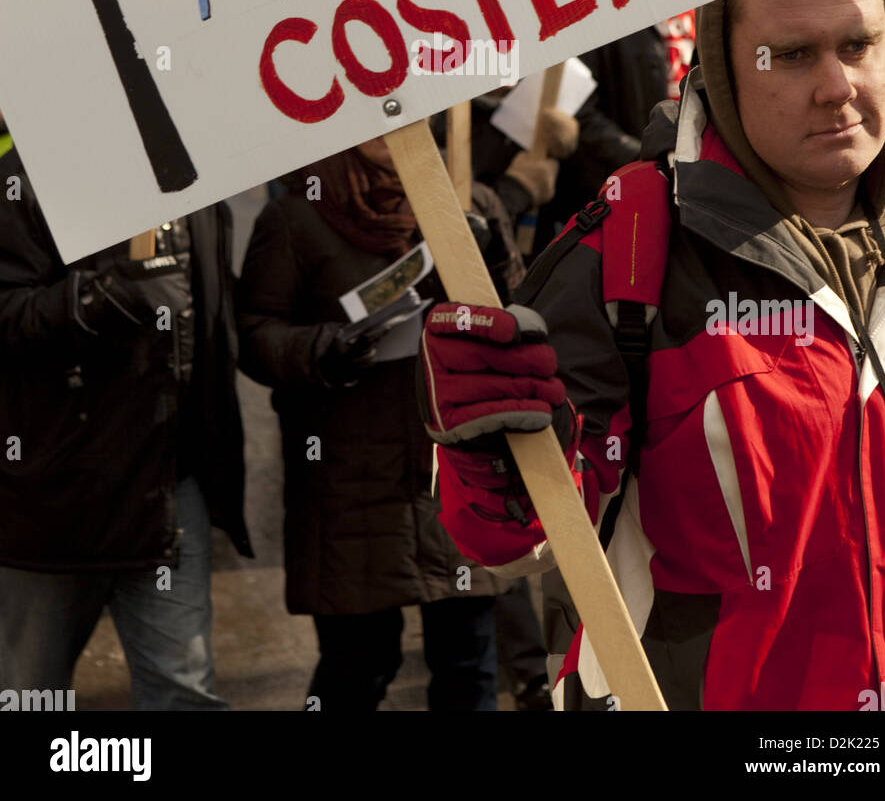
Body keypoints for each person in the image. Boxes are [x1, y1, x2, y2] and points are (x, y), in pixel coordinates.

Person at [419, 0, 885, 711]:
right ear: (724, 69)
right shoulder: (628, 252)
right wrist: (485, 451)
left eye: (859, 44)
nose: (838, 85)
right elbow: (516, 543)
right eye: (792, 55)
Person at [236, 136, 522, 712]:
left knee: (467, 663)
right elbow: (254, 336)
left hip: (455, 467)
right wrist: (322, 349)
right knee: (357, 666)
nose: (394, 129)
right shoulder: (297, 215)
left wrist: (490, 260)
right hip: (348, 480)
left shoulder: (470, 201)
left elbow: (527, 317)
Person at [0, 134, 252, 710]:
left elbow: (225, 324)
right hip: (50, 501)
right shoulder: (23, 179)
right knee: (28, 697)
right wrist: (101, 298)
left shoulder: (195, 177)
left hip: (166, 492)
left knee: (182, 692)